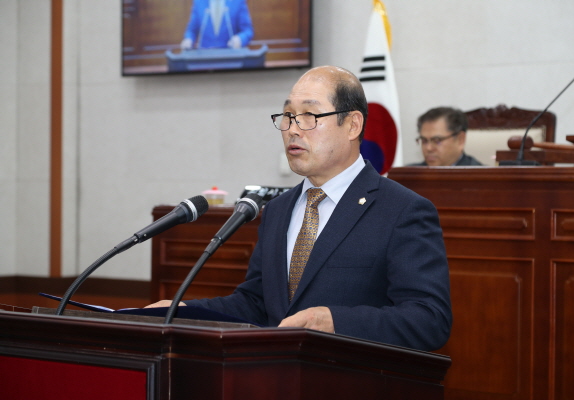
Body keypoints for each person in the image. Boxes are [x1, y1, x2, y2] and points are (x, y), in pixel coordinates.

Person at [148, 66, 452, 351]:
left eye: (309, 115)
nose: (293, 129)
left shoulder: (403, 210)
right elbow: (257, 303)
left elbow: (429, 319)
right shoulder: (278, 210)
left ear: (353, 124)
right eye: (288, 115)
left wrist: (334, 322)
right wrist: (183, 311)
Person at [410, 107, 482, 166]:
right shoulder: (408, 176)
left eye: (437, 140)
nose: (429, 148)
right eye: (424, 140)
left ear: (460, 140)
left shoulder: (483, 178)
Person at [180, 0, 254, 50]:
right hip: (205, 58)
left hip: (230, 57)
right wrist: (188, 40)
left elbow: (248, 31)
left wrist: (240, 39)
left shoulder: (237, 1)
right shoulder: (199, 1)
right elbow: (191, 31)